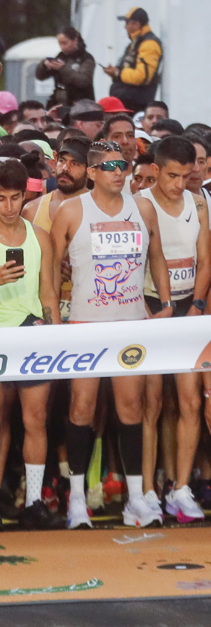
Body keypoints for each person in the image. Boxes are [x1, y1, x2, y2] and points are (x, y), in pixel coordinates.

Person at [51, 140, 172, 529]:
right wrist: (53, 317)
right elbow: (50, 268)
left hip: (130, 323)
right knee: (81, 409)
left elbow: (157, 256)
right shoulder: (71, 210)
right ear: (91, 172)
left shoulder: (143, 208)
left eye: (123, 165)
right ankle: (76, 501)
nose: (119, 172)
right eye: (110, 166)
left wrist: (166, 303)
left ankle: (136, 499)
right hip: (85, 325)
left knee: (131, 408)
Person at [0, 160, 62, 531]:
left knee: (35, 419)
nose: (8, 206)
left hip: (32, 333)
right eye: (1, 198)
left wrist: (54, 333)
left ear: (24, 196)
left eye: (15, 198)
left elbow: (48, 292)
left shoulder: (40, 237)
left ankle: (33, 501)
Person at [138, 137, 210, 522]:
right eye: (172, 176)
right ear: (155, 170)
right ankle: (147, 489)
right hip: (150, 308)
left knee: (190, 402)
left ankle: (181, 488)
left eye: (185, 176)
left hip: (187, 309)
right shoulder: (139, 205)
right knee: (151, 405)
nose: (179, 184)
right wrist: (147, 310)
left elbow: (205, 260)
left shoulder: (198, 204)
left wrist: (196, 305)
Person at [23, 139, 91, 322]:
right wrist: (47, 267)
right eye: (62, 161)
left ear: (90, 170)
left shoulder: (99, 210)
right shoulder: (32, 210)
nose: (65, 168)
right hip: (41, 309)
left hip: (89, 309)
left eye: (75, 164)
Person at [103, 8, 163, 112]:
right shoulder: (137, 42)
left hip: (137, 105)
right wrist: (115, 71)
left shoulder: (149, 44)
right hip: (128, 101)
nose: (125, 27)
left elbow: (142, 76)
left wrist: (118, 73)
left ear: (137, 24)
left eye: (127, 23)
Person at [35, 26, 96, 105]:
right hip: (59, 101)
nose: (62, 47)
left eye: (65, 43)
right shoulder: (60, 57)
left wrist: (63, 68)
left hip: (81, 102)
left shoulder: (86, 58)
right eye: (60, 43)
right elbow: (40, 77)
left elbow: (84, 80)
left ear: (75, 40)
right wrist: (44, 65)